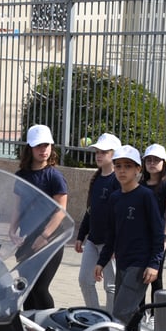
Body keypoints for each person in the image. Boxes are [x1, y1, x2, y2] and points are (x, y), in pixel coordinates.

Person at [94, 145, 164, 323]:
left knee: (119, 314)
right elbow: (112, 234)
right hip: (122, 263)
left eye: (128, 166)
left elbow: (157, 232)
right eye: (118, 166)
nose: (122, 171)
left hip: (140, 265)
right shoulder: (115, 198)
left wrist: (154, 264)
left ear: (137, 170)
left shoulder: (145, 196)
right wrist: (102, 261)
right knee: (130, 315)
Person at [15, 124, 69, 310]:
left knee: (40, 288)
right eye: (38, 145)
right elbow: (18, 206)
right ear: (30, 147)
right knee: (26, 287)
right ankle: (31, 329)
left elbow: (61, 210)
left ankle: (50, 325)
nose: (43, 150)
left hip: (51, 239)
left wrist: (44, 236)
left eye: (46, 145)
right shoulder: (21, 175)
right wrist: (12, 230)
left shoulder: (54, 176)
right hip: (27, 237)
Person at [75, 133, 122, 310]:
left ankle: (111, 322)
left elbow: (120, 217)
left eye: (104, 152)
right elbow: (90, 210)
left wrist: (115, 245)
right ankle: (95, 317)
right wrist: (81, 235)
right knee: (85, 280)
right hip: (93, 241)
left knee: (111, 286)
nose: (99, 155)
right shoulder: (96, 179)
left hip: (109, 244)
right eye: (97, 152)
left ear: (114, 154)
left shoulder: (117, 181)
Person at [142, 143, 166, 305]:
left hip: (158, 237)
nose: (152, 163)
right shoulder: (140, 185)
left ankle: (157, 313)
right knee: (139, 276)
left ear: (163, 163)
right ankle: (139, 313)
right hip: (141, 237)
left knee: (156, 277)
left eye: (156, 160)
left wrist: (165, 237)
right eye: (148, 160)